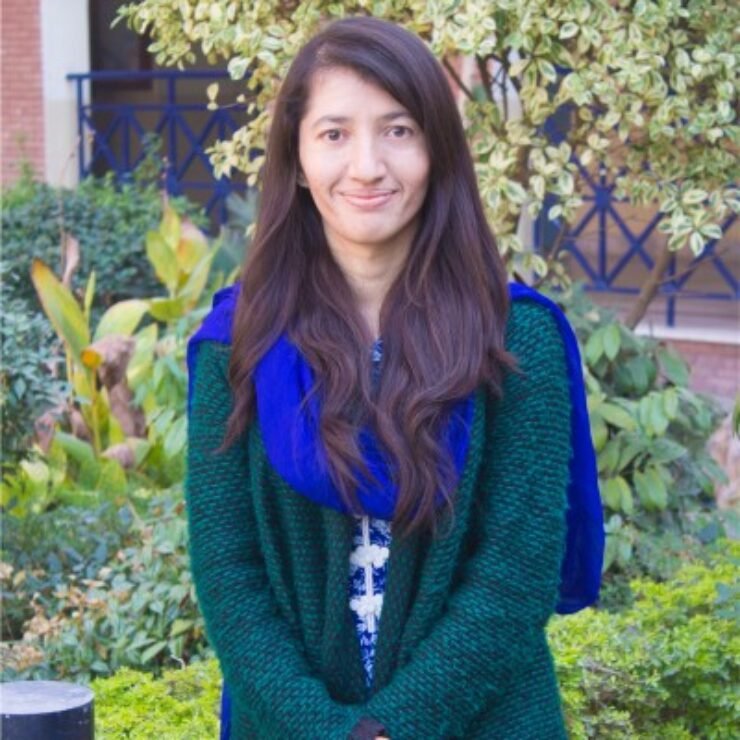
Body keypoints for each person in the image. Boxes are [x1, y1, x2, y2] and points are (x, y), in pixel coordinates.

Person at [186, 15, 603, 740]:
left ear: (437, 149)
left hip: (488, 722)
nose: (367, 166)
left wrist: (391, 728)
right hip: (288, 725)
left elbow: (515, 572)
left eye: (399, 130)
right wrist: (327, 730)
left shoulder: (516, 339)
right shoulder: (239, 344)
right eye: (334, 133)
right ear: (298, 156)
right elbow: (229, 573)